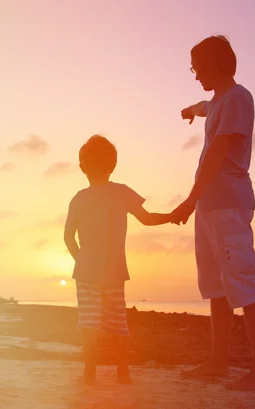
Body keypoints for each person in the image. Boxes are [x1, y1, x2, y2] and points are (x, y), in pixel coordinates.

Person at [171, 35, 255, 391]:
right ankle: (218, 361)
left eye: (196, 66)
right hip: (209, 206)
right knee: (216, 287)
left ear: (214, 64)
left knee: (242, 282)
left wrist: (188, 200)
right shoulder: (216, 103)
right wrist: (189, 110)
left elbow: (217, 154)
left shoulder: (238, 98)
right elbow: (204, 106)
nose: (195, 73)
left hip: (228, 203)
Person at [64, 134, 174, 385]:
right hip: (113, 272)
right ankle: (122, 372)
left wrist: (81, 260)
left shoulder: (79, 198)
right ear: (113, 165)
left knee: (89, 323)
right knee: (118, 324)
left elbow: (68, 236)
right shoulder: (122, 192)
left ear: (82, 167)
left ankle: (90, 373)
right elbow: (146, 218)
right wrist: (172, 216)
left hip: (89, 273)